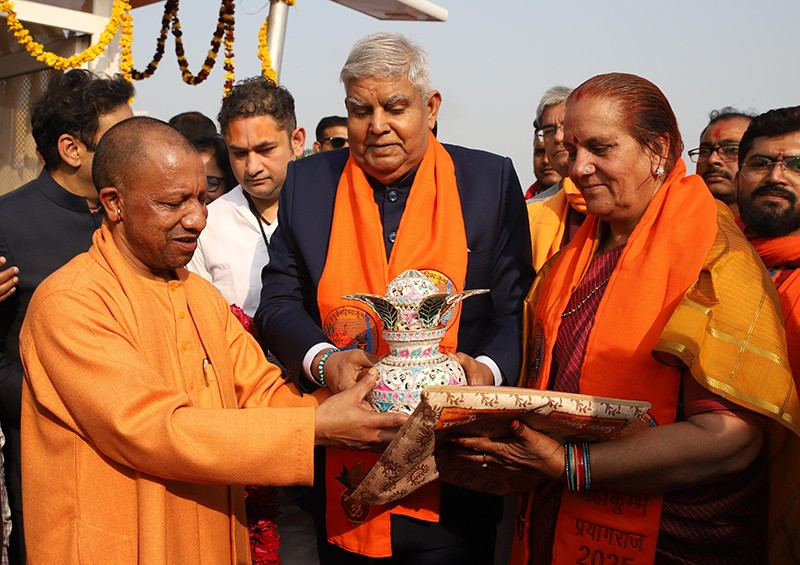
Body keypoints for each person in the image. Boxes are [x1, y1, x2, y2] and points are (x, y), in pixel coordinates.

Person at [18, 116, 404, 565]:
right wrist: (315, 427)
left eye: (203, 198)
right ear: (114, 203)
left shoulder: (199, 294)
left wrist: (359, 401)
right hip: (117, 544)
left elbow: (260, 394)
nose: (198, 219)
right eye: (173, 203)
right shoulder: (71, 302)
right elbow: (151, 429)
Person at [451, 73, 800, 565]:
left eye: (600, 148)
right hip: (554, 517)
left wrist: (572, 464)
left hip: (673, 539)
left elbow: (731, 439)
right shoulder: (581, 247)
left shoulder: (716, 259)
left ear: (658, 151)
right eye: (572, 149)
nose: (578, 167)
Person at [256, 32, 533, 564]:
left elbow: (511, 306)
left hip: (458, 469)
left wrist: (487, 374)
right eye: (360, 110)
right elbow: (280, 300)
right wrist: (324, 360)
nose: (376, 125)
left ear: (430, 108)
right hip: (345, 462)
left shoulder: (486, 179)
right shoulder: (308, 183)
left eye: (394, 107)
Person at [0, 69, 133, 565]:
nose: (132, 149)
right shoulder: (7, 224)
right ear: (72, 149)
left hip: (140, 437)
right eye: (117, 140)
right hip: (47, 443)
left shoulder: (130, 214)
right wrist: (57, 410)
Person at [187, 77, 305, 318]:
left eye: (265, 150)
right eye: (239, 153)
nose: (252, 167)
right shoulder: (206, 224)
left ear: (297, 141)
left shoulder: (333, 208)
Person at [737, 106, 800, 381]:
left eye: (797, 166)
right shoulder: (704, 253)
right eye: (760, 164)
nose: (775, 177)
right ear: (738, 177)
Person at [526, 86, 588, 270]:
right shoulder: (532, 210)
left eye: (564, 125)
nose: (558, 137)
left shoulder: (613, 200)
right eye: (549, 130)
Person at [688, 107, 755, 217]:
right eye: (704, 151)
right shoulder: (676, 221)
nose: (712, 159)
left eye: (731, 150)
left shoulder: (784, 230)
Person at [524, 124, 562, 202]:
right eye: (540, 152)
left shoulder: (585, 205)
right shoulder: (522, 205)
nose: (545, 160)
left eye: (554, 152)